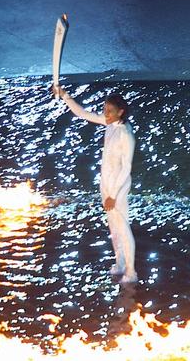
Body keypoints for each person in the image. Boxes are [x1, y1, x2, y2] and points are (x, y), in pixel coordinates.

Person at [53, 85, 138, 283]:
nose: (105, 114)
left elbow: (126, 168)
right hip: (106, 184)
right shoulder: (109, 124)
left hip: (118, 187)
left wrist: (113, 195)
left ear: (120, 112)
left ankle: (131, 272)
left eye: (109, 111)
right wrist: (64, 95)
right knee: (113, 228)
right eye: (104, 110)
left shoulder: (126, 134)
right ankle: (120, 263)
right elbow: (82, 113)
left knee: (123, 227)